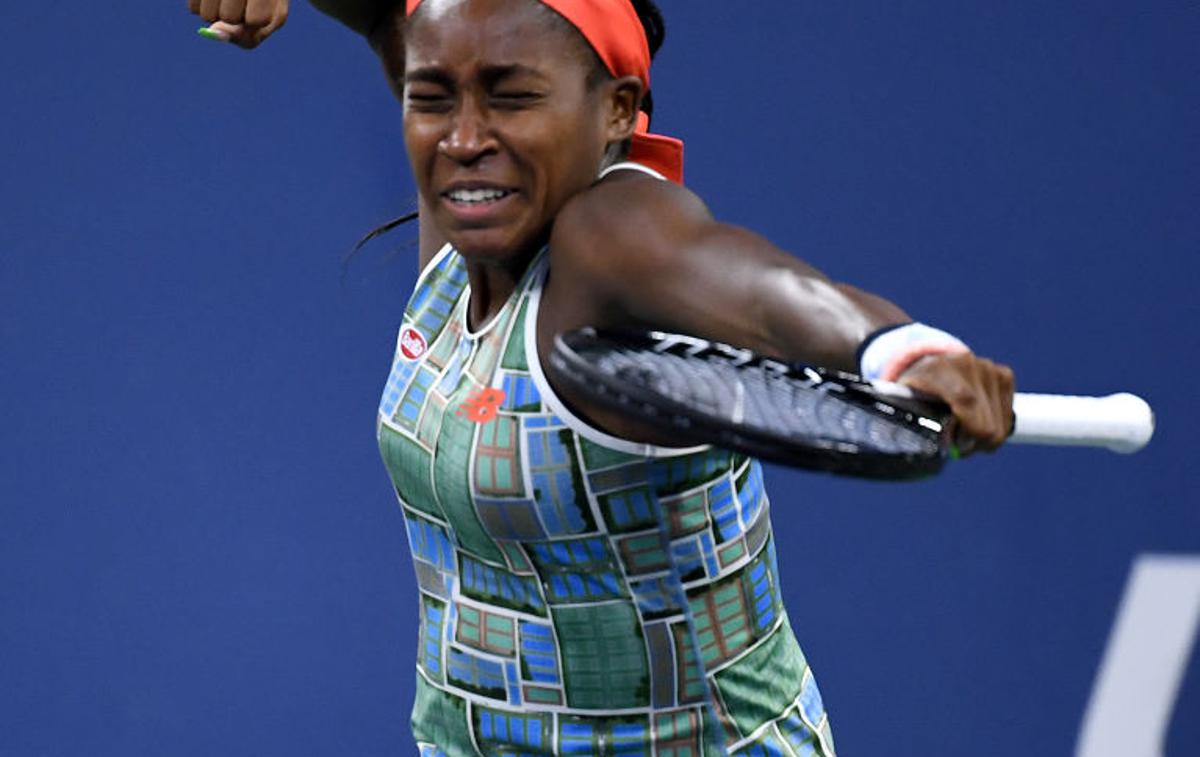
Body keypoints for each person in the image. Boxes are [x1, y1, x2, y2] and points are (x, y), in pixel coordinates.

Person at [190, 1, 1014, 753]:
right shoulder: (468, 212)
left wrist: (893, 350)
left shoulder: (611, 237)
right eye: (432, 96)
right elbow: (389, 18)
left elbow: (751, 285)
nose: (464, 136)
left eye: (512, 96)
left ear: (617, 110)